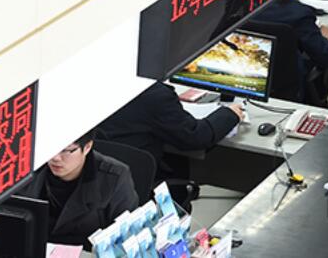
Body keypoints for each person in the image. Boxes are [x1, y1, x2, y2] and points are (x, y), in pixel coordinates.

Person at [98, 82, 243, 209]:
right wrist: (230, 114)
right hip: (136, 189)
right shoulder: (153, 94)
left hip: (98, 185)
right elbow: (196, 137)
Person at [23, 130, 139, 247]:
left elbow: (125, 237)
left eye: (66, 150)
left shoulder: (115, 177)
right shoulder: (27, 168)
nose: (55, 157)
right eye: (50, 148)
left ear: (87, 147)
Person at [247, 0, 328, 101]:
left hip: (247, 74)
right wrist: (324, 39)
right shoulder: (299, 13)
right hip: (287, 84)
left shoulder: (241, 7)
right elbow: (326, 57)